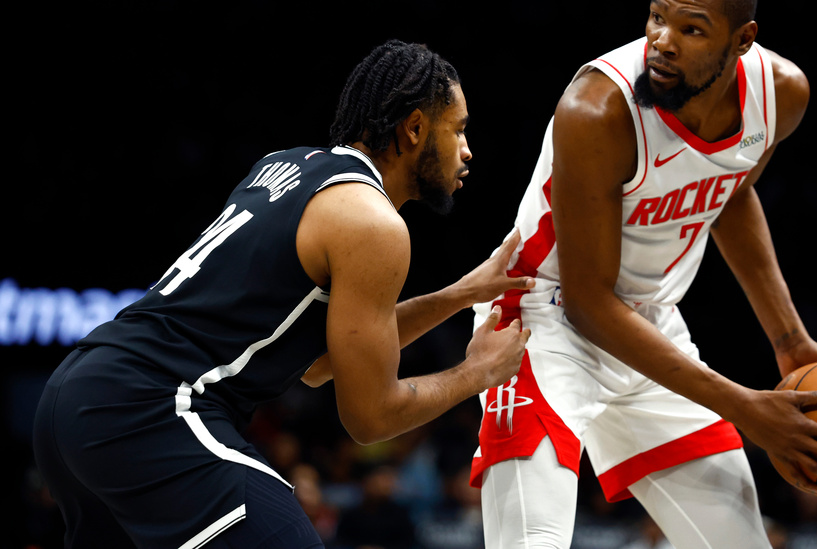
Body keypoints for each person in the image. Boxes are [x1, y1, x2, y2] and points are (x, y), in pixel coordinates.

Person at [32, 39, 533, 549]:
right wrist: (480, 373)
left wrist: (459, 294)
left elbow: (317, 364)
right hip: (152, 407)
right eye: (460, 129)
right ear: (415, 128)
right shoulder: (374, 224)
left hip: (73, 397)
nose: (468, 149)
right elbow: (372, 416)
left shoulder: (287, 165)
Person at [469, 0, 817, 548]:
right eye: (657, 18)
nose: (662, 40)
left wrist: (790, 342)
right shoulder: (597, 110)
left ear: (743, 40)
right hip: (539, 322)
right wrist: (747, 408)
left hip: (647, 323)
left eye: (691, 29)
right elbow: (586, 304)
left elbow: (730, 193)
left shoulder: (779, 94)